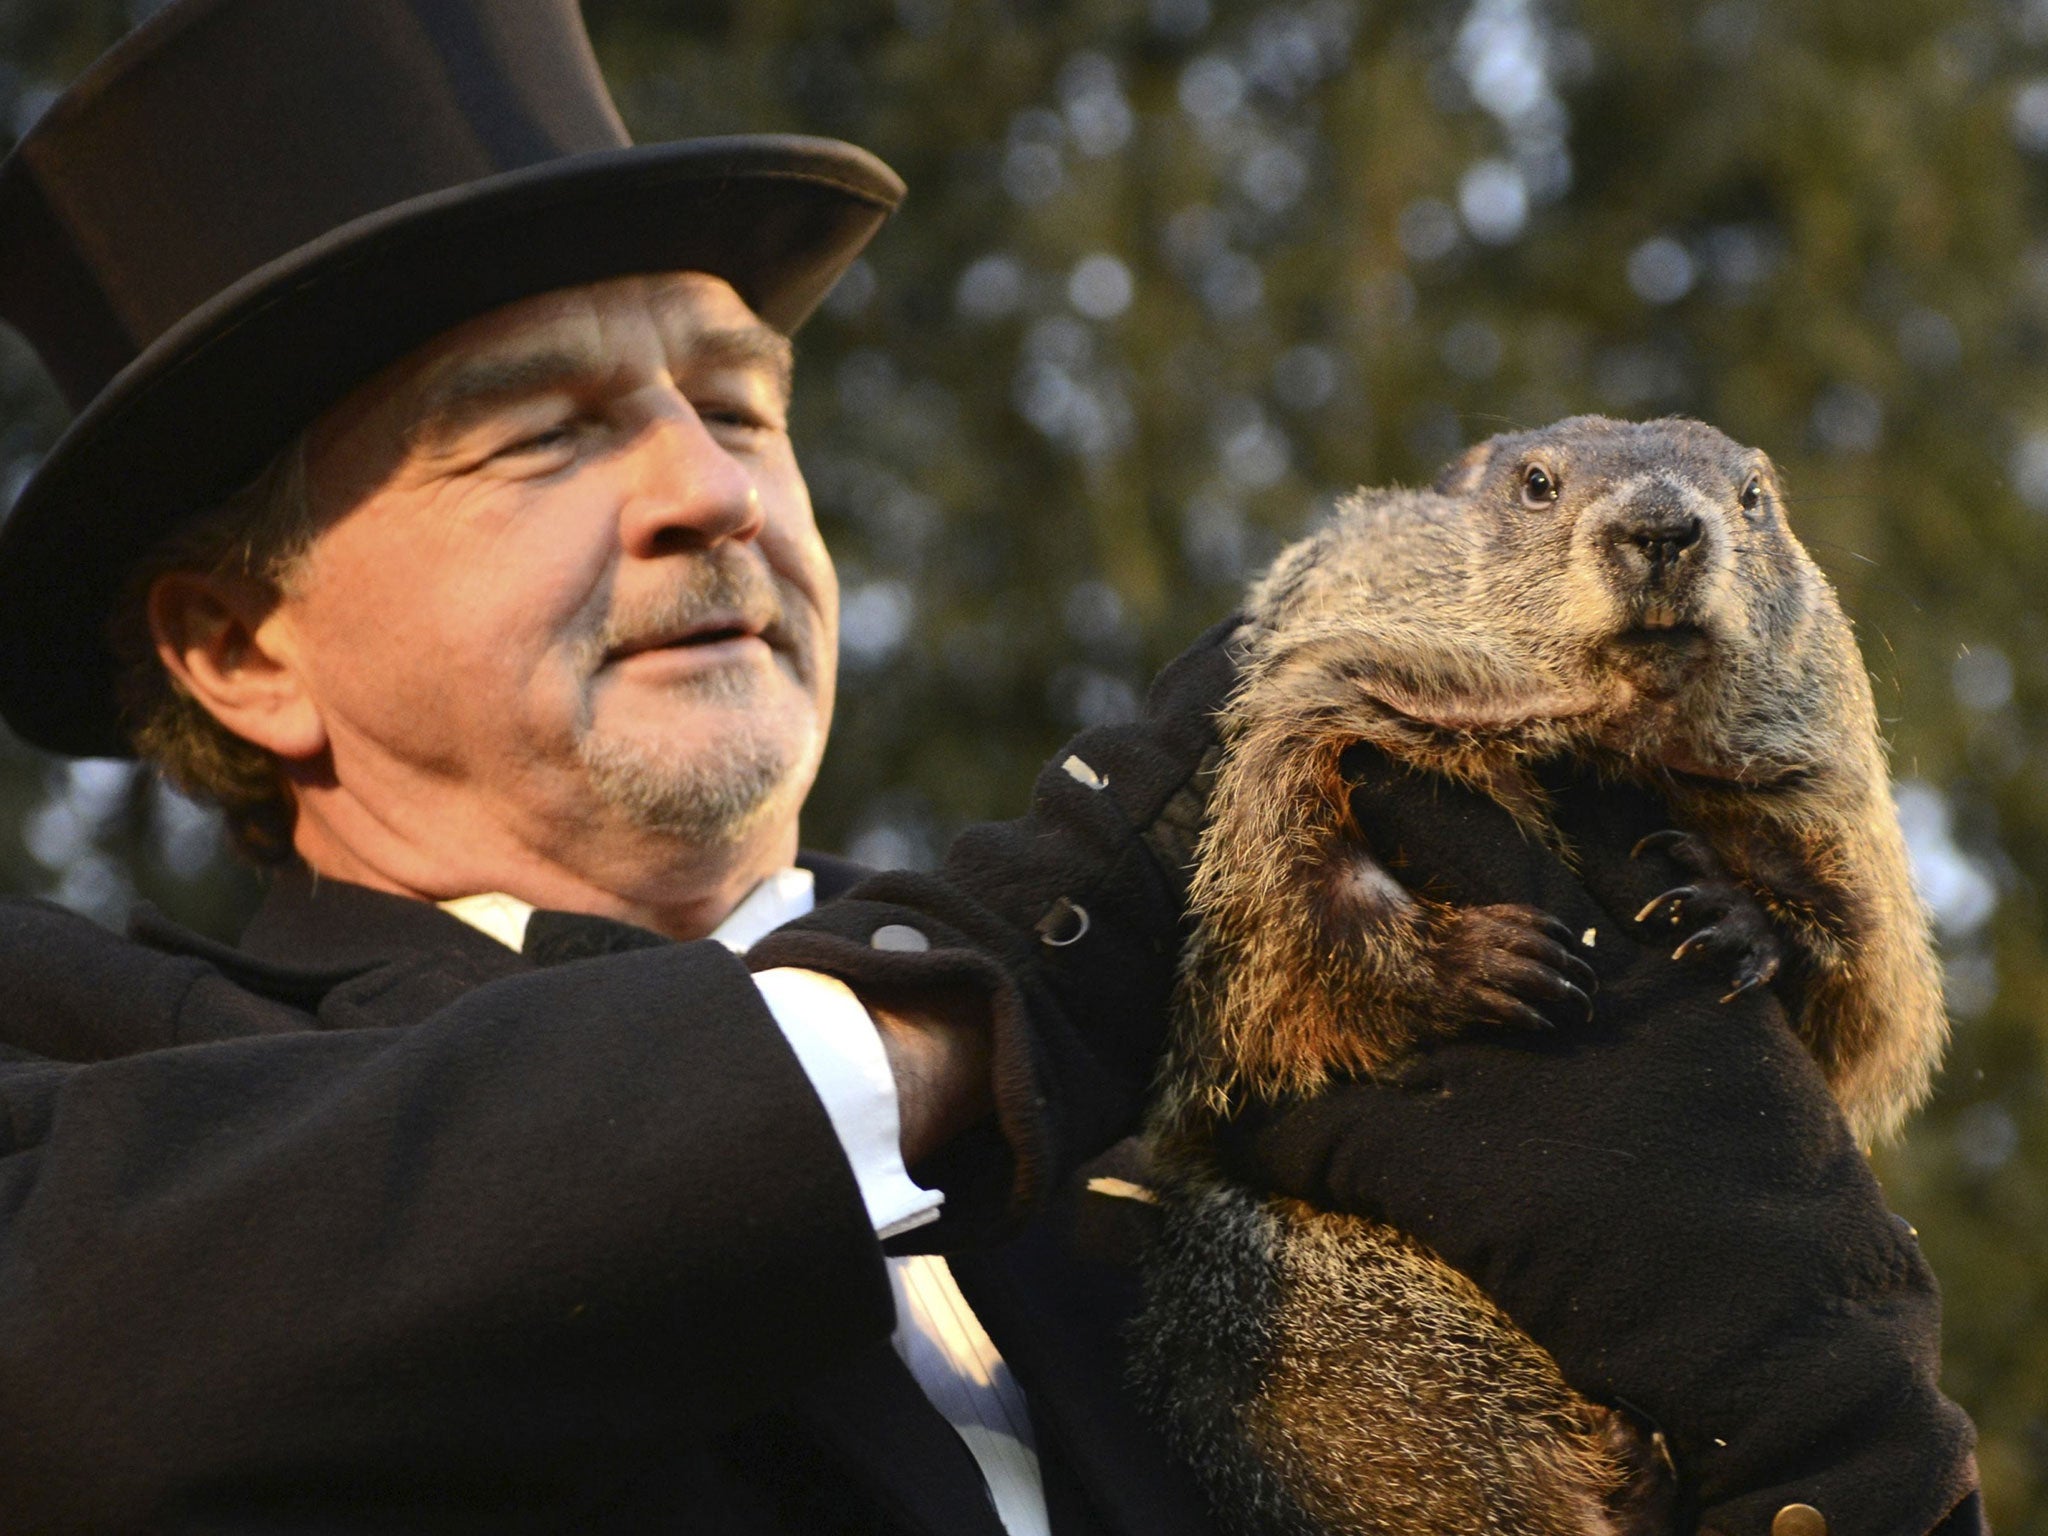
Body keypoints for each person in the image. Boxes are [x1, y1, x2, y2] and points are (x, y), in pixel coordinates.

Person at [0, 1, 1984, 1533]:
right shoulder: (121, 1097)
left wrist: (1805, 1437)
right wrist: (1016, 962)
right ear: (236, 646)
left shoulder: (1169, 1134)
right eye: (540, 433)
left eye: (740, 403)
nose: (709, 493)